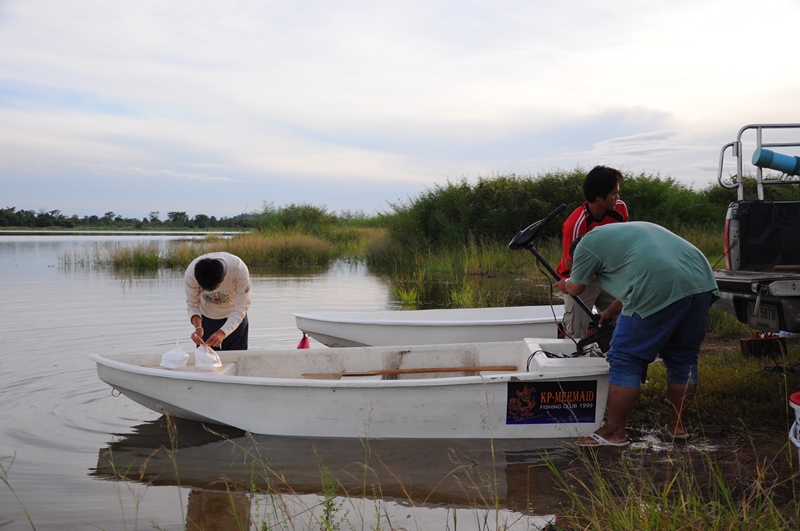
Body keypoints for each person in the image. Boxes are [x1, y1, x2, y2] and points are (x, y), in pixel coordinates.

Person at [556, 222, 719, 446]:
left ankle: (614, 432)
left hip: (660, 284)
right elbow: (650, 268)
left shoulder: (585, 245)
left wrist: (565, 284)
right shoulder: (623, 234)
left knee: (625, 358)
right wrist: (612, 311)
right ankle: (676, 426)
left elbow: (576, 288)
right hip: (701, 282)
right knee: (683, 358)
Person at [556, 165, 628, 338]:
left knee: (624, 320)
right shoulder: (575, 224)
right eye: (613, 194)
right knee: (576, 332)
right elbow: (572, 264)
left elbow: (623, 244)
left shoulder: (619, 209)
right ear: (598, 197)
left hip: (607, 275)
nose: (617, 198)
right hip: (578, 277)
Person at [185, 252, 251, 350]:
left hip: (235, 315)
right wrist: (198, 328)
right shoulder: (191, 274)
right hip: (207, 316)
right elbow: (192, 304)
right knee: (207, 358)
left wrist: (223, 332)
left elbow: (241, 307)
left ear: (225, 274)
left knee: (236, 357)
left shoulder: (239, 270)